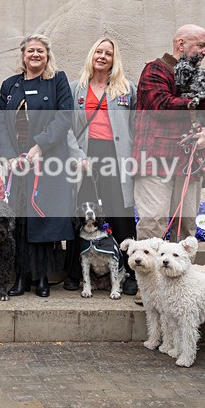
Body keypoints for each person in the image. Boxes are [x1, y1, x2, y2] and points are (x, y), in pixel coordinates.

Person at [133, 24, 205, 243]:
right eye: (201, 45)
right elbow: (161, 106)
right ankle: (148, 278)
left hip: (190, 164)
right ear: (181, 44)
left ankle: (181, 278)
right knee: (154, 226)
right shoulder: (155, 70)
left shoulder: (204, 79)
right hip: (155, 161)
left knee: (185, 229)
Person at [0, 34, 74, 298]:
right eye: (31, 51)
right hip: (18, 164)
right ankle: (20, 278)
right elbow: (1, 124)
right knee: (19, 220)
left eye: (40, 51)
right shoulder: (10, 85)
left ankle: (42, 278)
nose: (35, 55)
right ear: (23, 55)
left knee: (41, 219)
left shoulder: (57, 81)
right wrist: (7, 155)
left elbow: (64, 118)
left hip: (47, 161)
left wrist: (40, 146)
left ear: (47, 55)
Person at [66, 38, 138, 295]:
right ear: (91, 54)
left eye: (108, 53)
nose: (103, 56)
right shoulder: (76, 89)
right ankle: (75, 272)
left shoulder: (126, 88)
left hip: (116, 155)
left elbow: (134, 125)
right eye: (99, 51)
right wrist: (77, 154)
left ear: (114, 59)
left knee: (120, 212)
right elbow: (68, 128)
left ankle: (128, 273)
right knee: (83, 212)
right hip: (86, 154)